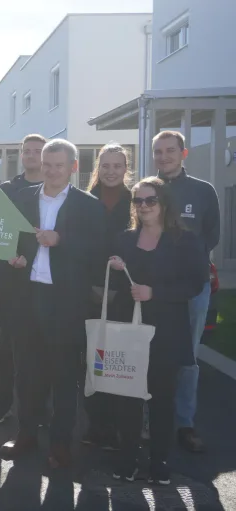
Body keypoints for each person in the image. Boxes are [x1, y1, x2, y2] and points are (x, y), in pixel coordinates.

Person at [0, 139, 106, 469]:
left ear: (73, 167)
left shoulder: (88, 205)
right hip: (27, 297)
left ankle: (60, 444)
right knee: (26, 374)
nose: (52, 170)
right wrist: (14, 258)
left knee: (63, 376)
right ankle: (26, 434)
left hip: (66, 303)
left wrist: (61, 239)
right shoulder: (22, 198)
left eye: (59, 165)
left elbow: (98, 251)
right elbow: (11, 240)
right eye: (47, 164)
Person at [109, 177, 208, 485]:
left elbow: (195, 284)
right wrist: (115, 266)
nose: (144, 206)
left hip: (166, 330)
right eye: (138, 201)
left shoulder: (185, 240)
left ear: (164, 204)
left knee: (161, 398)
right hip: (129, 328)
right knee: (128, 397)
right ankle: (128, 457)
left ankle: (159, 461)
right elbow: (118, 285)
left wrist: (155, 293)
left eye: (150, 200)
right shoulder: (124, 239)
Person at [153, 130, 220, 453]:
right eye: (158, 151)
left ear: (183, 153)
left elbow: (212, 236)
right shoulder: (147, 190)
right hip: (154, 286)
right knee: (151, 353)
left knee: (187, 358)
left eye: (170, 150)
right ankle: (150, 420)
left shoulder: (203, 191)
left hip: (193, 287)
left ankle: (184, 423)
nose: (164, 156)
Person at [0, 133, 45, 425]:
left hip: (43, 282)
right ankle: (4, 402)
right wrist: (6, 256)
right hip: (9, 280)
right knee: (6, 344)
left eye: (37, 151)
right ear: (21, 155)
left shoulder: (55, 191)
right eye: (27, 151)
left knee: (40, 346)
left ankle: (38, 408)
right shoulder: (7, 190)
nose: (32, 155)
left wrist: (30, 258)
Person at [81, 143, 133, 449]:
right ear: (97, 168)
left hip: (125, 293)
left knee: (119, 360)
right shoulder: (84, 201)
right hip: (88, 292)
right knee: (92, 360)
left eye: (117, 166)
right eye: (106, 165)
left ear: (126, 169)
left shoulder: (136, 200)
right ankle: (95, 424)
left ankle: (117, 425)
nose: (111, 171)